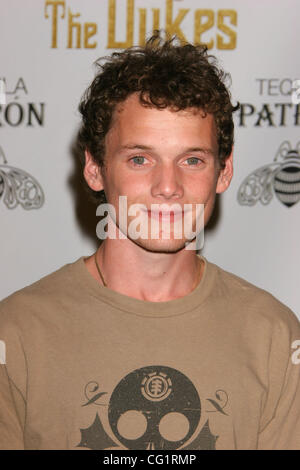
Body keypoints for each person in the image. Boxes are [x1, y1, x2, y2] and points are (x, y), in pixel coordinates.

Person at [0, 33, 300, 451]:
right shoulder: (14, 333)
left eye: (192, 160)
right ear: (95, 168)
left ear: (224, 172)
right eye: (140, 159)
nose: (168, 186)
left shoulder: (273, 336)